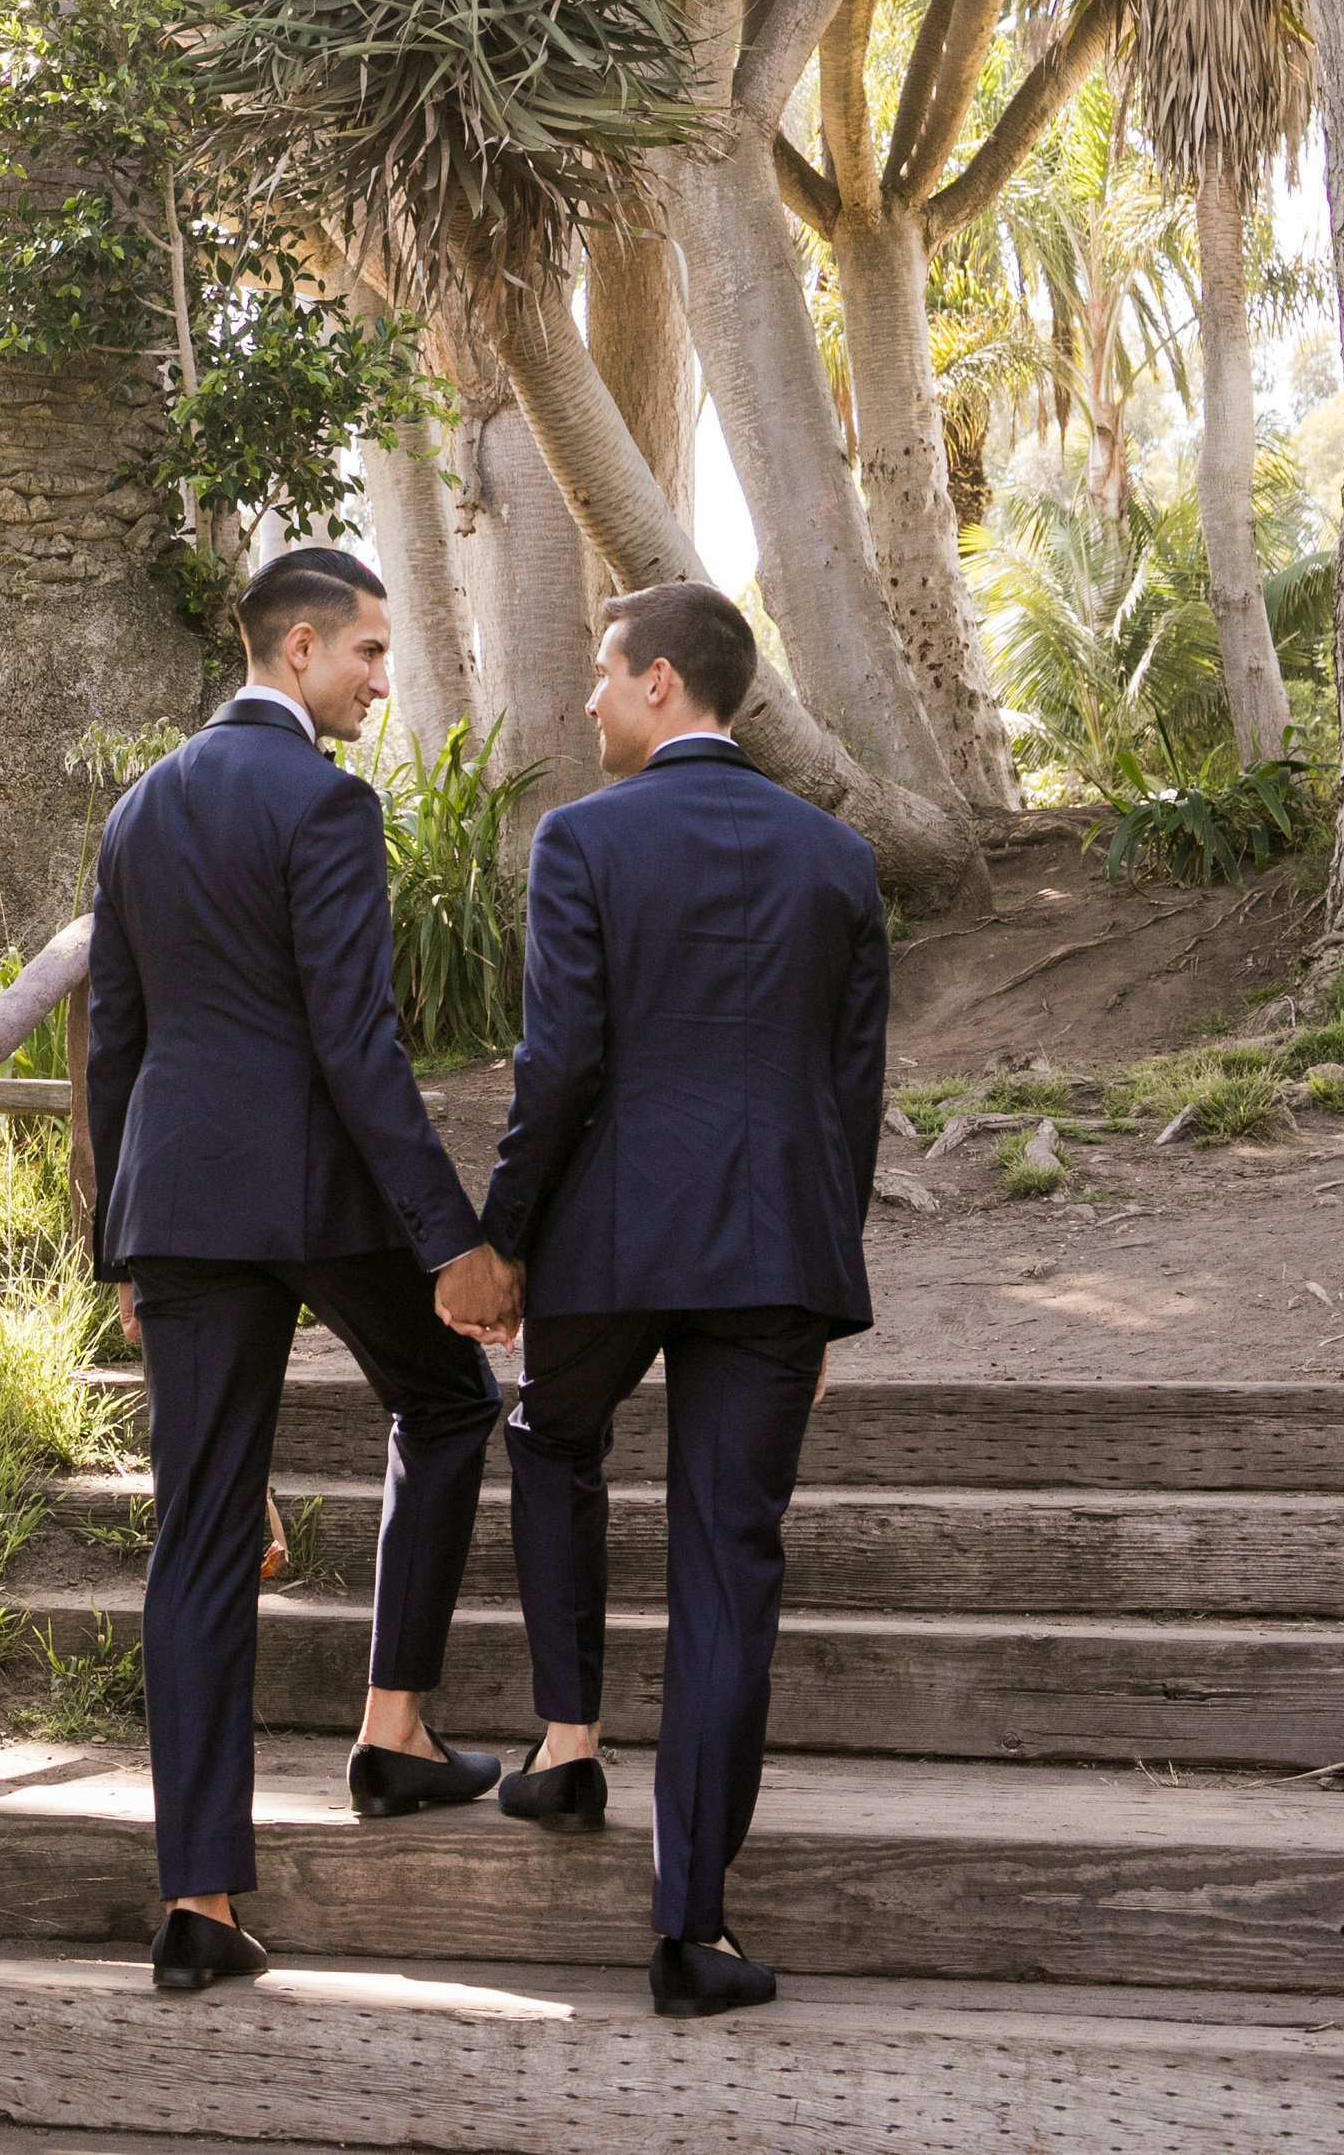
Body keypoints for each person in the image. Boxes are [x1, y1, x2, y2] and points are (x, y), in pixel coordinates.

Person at [443, 580, 888, 2022]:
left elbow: (558, 1066)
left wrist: (503, 1237)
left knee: (550, 1434)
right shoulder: (837, 858)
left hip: (613, 1249)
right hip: (772, 1258)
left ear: (658, 685)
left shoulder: (582, 839)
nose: (584, 699)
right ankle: (692, 1929)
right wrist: (820, 1296)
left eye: (599, 673)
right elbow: (850, 1096)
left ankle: (567, 1739)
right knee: (725, 1576)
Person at [88, 544, 523, 1997]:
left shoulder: (140, 806)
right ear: (294, 650)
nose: (382, 682)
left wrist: (120, 1245)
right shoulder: (327, 802)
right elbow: (355, 1043)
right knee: (452, 1404)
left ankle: (196, 1899)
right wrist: (449, 1235)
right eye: (368, 655)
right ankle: (391, 1729)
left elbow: (117, 1046)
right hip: (319, 1191)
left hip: (183, 1208)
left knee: (199, 1532)